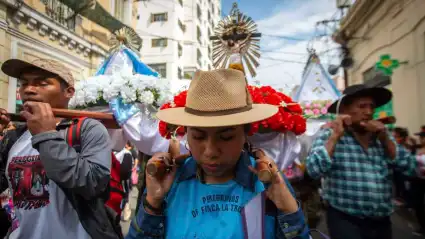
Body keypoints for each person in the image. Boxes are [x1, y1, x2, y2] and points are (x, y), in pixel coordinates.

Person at [123, 69, 309, 239]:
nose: (211, 151)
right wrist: (152, 203)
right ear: (186, 132)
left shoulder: (268, 185)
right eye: (198, 136)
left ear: (246, 133)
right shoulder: (169, 183)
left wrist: (288, 209)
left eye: (226, 137)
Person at [0, 58, 119, 239]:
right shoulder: (14, 136)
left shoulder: (88, 129)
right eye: (24, 83)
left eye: (42, 83)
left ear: (69, 92)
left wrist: (46, 135)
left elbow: (94, 184)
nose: (29, 89)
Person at [306, 84, 417, 239]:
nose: (369, 112)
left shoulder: (381, 137)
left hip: (382, 221)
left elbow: (410, 168)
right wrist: (335, 136)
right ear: (344, 110)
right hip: (345, 220)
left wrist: (386, 140)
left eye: (372, 107)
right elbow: (313, 170)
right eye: (362, 106)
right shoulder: (330, 136)